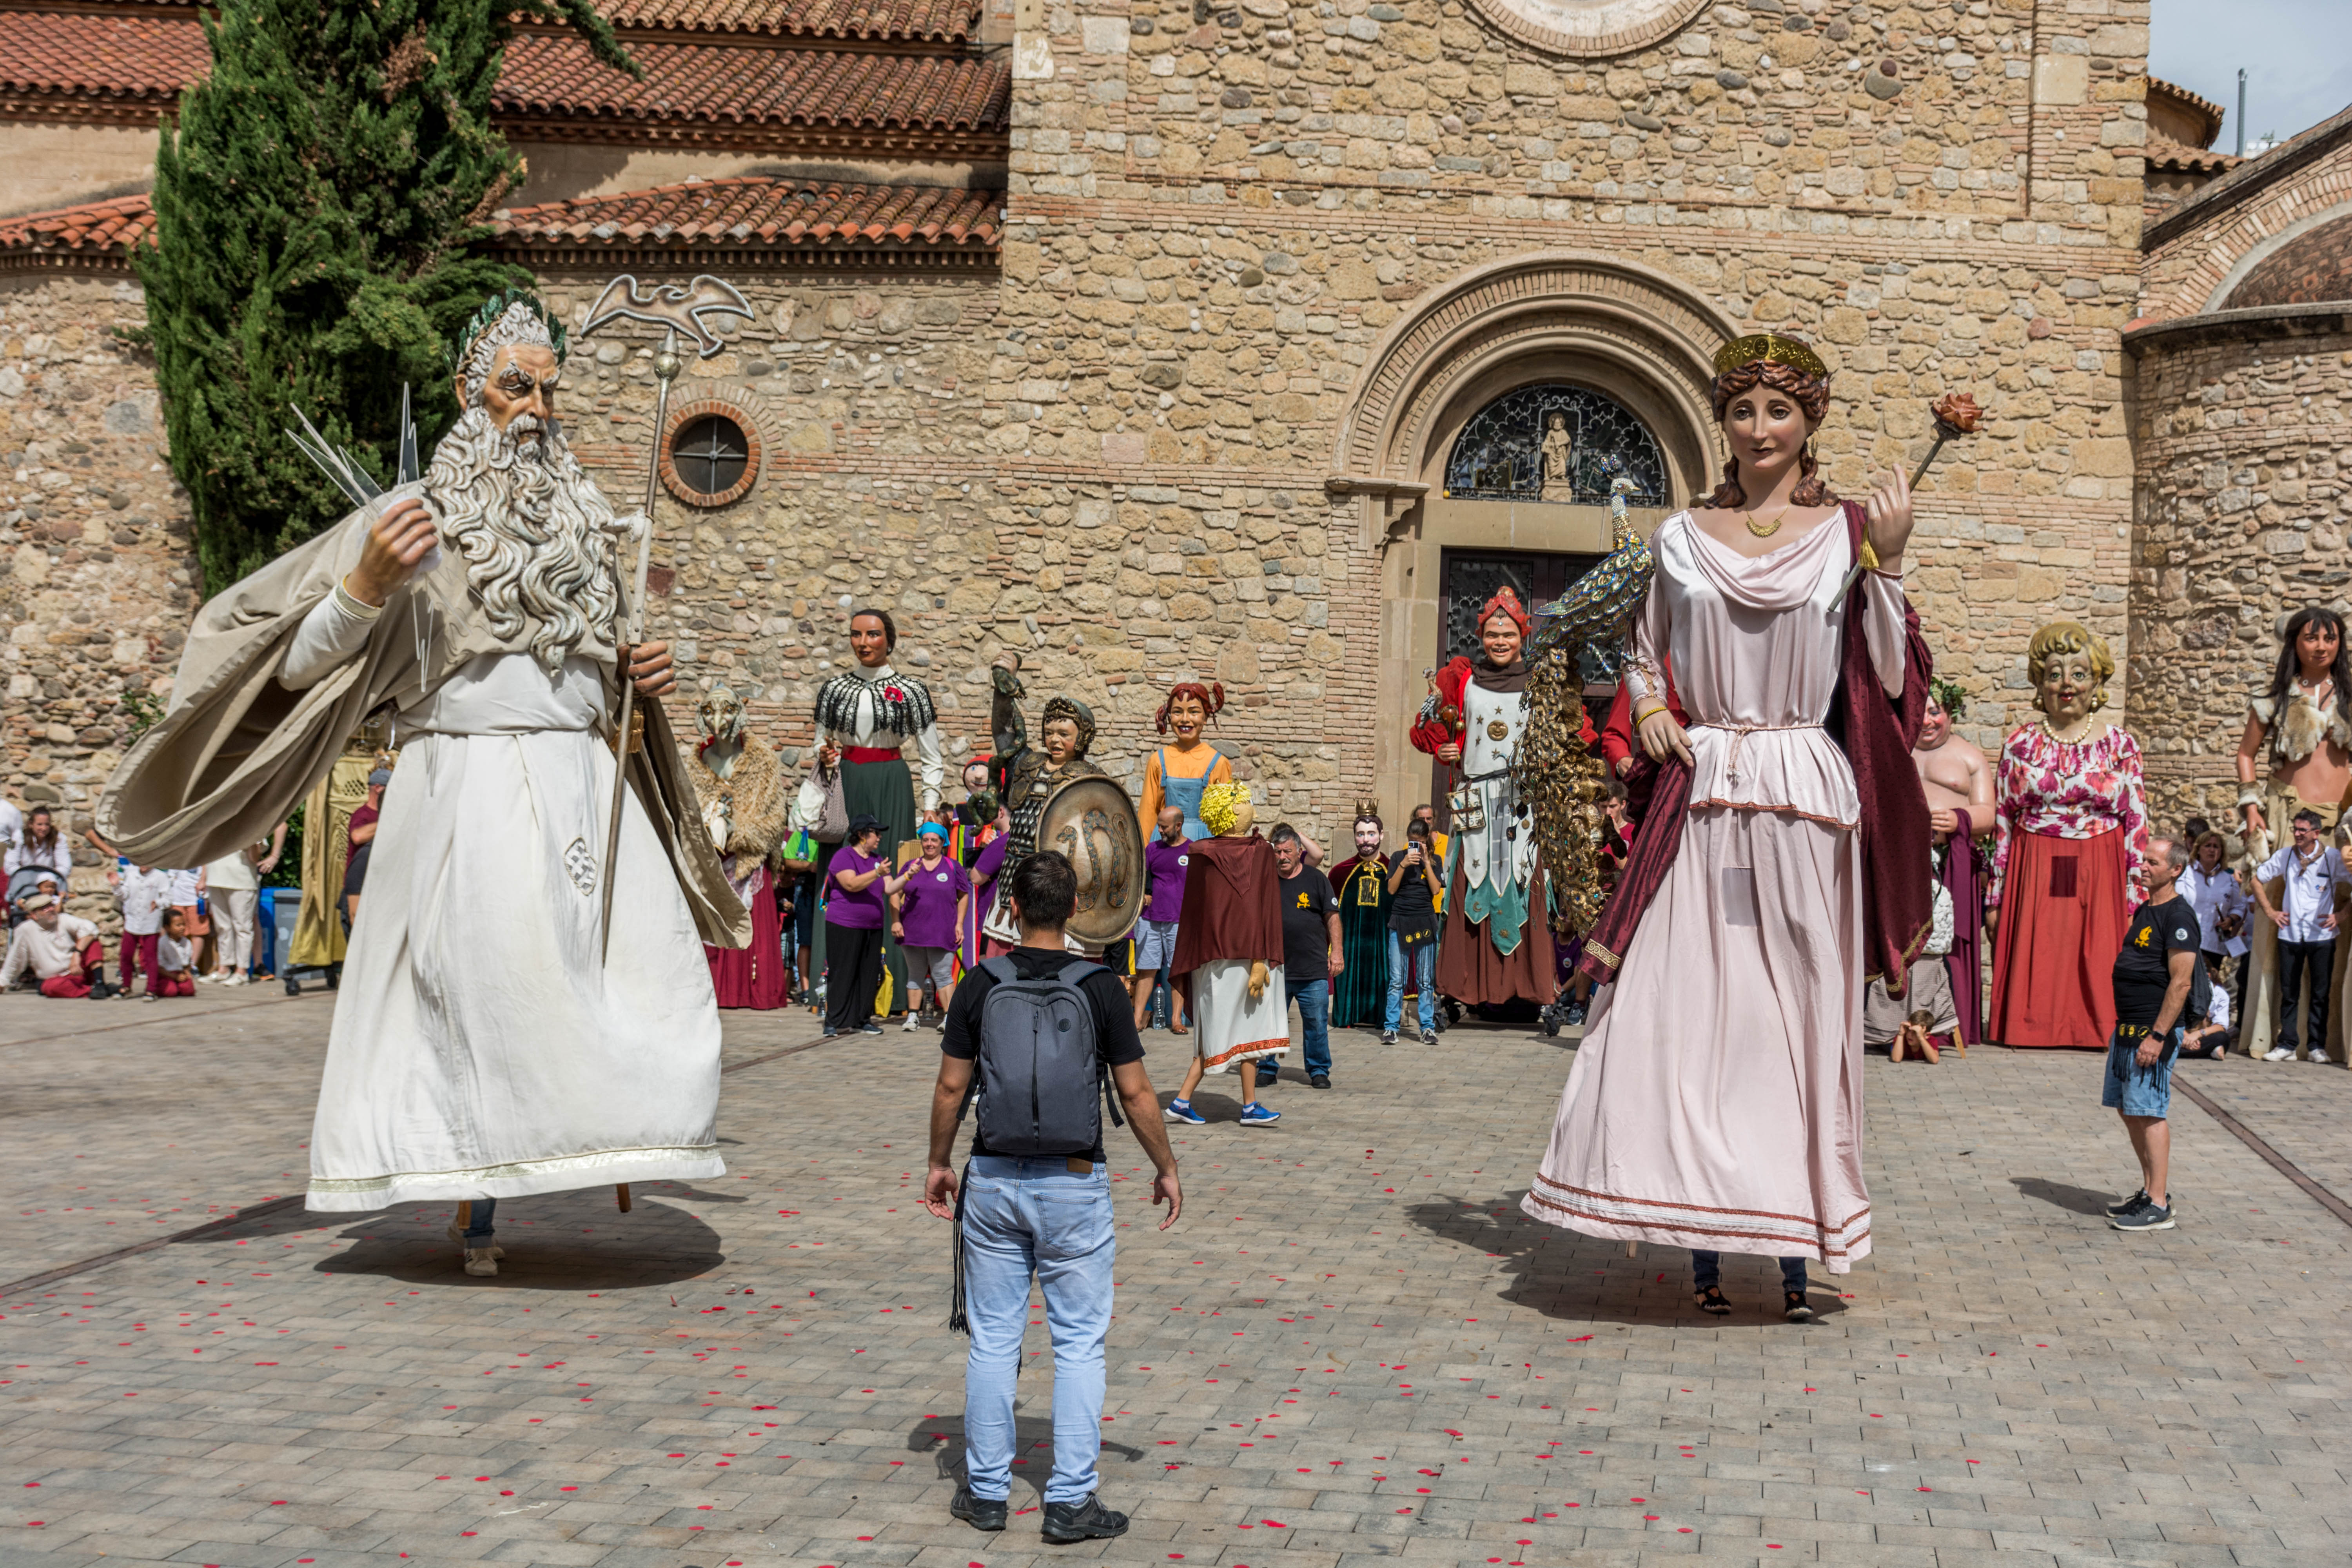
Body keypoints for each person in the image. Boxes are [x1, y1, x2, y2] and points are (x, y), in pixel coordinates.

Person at [96, 285, 746, 1278]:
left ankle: (605, 1138)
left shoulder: (587, 525)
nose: (533, 406)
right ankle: (476, 1195)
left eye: (547, 390)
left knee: (622, 984)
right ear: (467, 390)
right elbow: (305, 661)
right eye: (513, 385)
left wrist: (635, 677)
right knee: (484, 989)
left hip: (579, 783)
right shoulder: (416, 521)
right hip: (469, 784)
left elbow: (599, 670)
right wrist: (363, 587)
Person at [1524, 330, 1932, 1315]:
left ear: (1810, 422)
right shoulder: (1676, 538)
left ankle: (1793, 1238)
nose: (1759, 429)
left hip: (1801, 790)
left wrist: (1891, 561)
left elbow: (1885, 678)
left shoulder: (1845, 532)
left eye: (1778, 411)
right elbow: (1637, 645)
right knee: (1682, 1010)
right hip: (1703, 788)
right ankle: (1697, 1228)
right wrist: (1652, 701)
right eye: (1742, 411)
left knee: (1790, 1022)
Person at [921, 849, 1181, 1545]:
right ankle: (1068, 1501)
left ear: (1012, 909)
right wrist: (1166, 1166)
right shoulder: (1100, 987)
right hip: (1074, 1180)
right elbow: (1135, 1091)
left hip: (996, 1177)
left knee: (995, 1340)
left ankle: (984, 1495)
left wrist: (939, 1162)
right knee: (1078, 1345)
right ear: (1073, 910)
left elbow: (952, 1087)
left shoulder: (979, 984)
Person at [1986, 621, 2149, 1048]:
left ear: (2097, 681)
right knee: (2043, 947)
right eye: (2054, 673)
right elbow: (2003, 820)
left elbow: (2137, 820)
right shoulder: (2020, 744)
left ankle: (2093, 1028)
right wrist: (1995, 895)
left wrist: (2136, 895)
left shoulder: (2120, 745)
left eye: (2079, 673)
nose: (2066, 685)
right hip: (2034, 859)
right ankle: (2032, 1026)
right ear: (2040, 682)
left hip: (2102, 861)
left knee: (2095, 950)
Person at [1409, 586, 1555, 1009]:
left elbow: (1571, 733)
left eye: (1508, 633)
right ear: (1482, 636)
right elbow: (1424, 727)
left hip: (1521, 802)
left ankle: (1530, 991)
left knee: (1522, 880)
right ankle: (1462, 988)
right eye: (1493, 634)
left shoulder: (1539, 680)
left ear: (1522, 635)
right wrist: (1442, 748)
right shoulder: (1462, 679)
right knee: (1470, 878)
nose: (1500, 641)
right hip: (1475, 798)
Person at [801, 607, 944, 1014]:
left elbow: (931, 756)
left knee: (893, 873)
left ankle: (896, 991)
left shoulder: (912, 690)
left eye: (873, 634)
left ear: (889, 639)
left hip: (891, 781)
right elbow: (819, 743)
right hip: (846, 782)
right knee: (840, 874)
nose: (864, 642)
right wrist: (826, 755)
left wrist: (930, 809)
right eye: (857, 635)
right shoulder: (833, 689)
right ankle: (833, 988)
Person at [2235, 608, 2352, 1062]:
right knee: (2278, 926)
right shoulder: (2275, 700)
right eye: (2311, 638)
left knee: (2339, 922)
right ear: (2295, 643)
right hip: (2286, 817)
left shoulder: (2350, 696)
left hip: (2342, 821)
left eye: (2330, 638)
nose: (2321, 646)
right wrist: (2251, 809)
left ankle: (2333, 1039)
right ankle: (2276, 1035)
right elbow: (2247, 755)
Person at [1163, 781, 1286, 1126]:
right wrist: (1261, 958)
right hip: (1242, 959)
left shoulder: (1202, 851)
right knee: (1233, 1031)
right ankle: (1190, 1102)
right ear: (1231, 811)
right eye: (1247, 803)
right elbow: (1262, 907)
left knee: (1238, 1031)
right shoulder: (1257, 851)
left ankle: (1240, 1105)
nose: (1253, 810)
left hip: (1213, 958)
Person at [2104, 838, 2199, 1233]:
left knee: (2149, 1111)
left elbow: (2180, 983)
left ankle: (2159, 1204)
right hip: (2128, 1028)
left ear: (2175, 869)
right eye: (2143, 859)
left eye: (2152, 862)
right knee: (2130, 1108)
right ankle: (2148, 1191)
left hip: (2151, 1031)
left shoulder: (2178, 915)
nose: (2142, 866)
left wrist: (2158, 1036)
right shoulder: (2147, 908)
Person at [980, 681, 1110, 949]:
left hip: (1058, 880)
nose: (1054, 740)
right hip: (1014, 875)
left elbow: (1100, 842)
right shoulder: (1027, 764)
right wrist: (1002, 687)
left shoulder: (1091, 779)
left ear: (1082, 737)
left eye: (1064, 734)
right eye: (1049, 732)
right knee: (1006, 959)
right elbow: (1004, 731)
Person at [688, 682, 793, 1010]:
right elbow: (685, 812)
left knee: (752, 930)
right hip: (711, 863)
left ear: (739, 713)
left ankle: (753, 991)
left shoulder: (763, 763)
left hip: (749, 860)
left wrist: (739, 831)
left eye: (728, 709)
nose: (719, 719)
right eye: (710, 710)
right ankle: (715, 990)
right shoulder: (695, 764)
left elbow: (775, 819)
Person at [1913, 675, 1995, 1047]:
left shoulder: (1969, 756)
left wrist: (1959, 820)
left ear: (1951, 713)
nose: (1928, 720)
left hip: (1953, 862)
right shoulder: (1898, 750)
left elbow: (1989, 814)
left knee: (1952, 945)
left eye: (1936, 711)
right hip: (1907, 861)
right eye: (1920, 711)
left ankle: (1951, 1021)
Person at [2250, 808, 2346, 1063]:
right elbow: (2256, 880)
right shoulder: (2285, 856)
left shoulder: (2333, 858)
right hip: (2291, 934)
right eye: (2296, 829)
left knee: (2320, 992)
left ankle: (2317, 1046)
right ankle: (2287, 1044)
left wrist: (2343, 915)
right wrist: (2271, 912)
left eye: (2303, 830)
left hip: (2321, 935)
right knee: (2289, 990)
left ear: (2316, 833)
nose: (2298, 834)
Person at [1265, 822, 1341, 1091]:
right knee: (1270, 1022)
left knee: (1317, 1024)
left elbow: (1332, 918)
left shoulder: (1316, 879)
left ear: (1299, 852)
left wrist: (1337, 954)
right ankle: (1266, 1067)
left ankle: (1319, 1069)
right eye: (1277, 852)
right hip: (1275, 967)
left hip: (1312, 969)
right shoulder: (1266, 881)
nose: (1282, 857)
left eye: (1287, 851)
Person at [826, 814, 915, 1038]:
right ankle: (833, 1021)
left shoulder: (877, 859)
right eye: (875, 833)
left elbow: (890, 888)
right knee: (843, 972)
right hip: (844, 925)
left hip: (873, 926)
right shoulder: (843, 857)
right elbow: (850, 884)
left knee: (868, 974)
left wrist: (907, 876)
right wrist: (876, 873)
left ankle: (862, 1020)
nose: (879, 837)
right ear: (861, 835)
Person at [896, 821, 973, 1029]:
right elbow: (895, 893)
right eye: (926, 840)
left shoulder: (952, 867)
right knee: (915, 974)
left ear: (943, 843)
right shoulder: (911, 866)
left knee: (943, 975)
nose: (929, 844)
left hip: (942, 931)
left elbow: (963, 896)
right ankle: (913, 1017)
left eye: (934, 840)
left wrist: (959, 923)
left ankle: (949, 1018)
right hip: (912, 931)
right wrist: (896, 920)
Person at [1324, 809, 1393, 1031]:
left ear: (1381, 835)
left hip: (1382, 945)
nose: (1366, 840)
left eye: (1371, 834)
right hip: (1351, 945)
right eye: (1361, 834)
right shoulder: (1339, 873)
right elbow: (1329, 915)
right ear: (1354, 836)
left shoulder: (1394, 871)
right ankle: (1347, 1015)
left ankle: (1384, 1017)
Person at [1138, 681, 1233, 840]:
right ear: (1169, 717)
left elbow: (1226, 821)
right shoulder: (1157, 761)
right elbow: (1147, 815)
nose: (1185, 719)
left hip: (1203, 849)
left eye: (1194, 712)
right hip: (1162, 848)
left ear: (1206, 717)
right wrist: (1142, 856)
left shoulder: (1219, 763)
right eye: (1177, 712)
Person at [2180, 829, 2248, 1045]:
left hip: (2213, 943)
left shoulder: (2228, 879)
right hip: (2186, 939)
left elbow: (2240, 905)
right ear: (2198, 849)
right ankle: (2181, 1028)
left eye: (2216, 847)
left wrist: (2231, 919)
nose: (2212, 850)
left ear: (2222, 852)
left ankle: (2202, 1032)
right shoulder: (2185, 873)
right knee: (2184, 984)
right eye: (2207, 846)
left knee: (2207, 987)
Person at [1130, 805, 1192, 1032]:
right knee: (1146, 969)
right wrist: (1145, 894)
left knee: (1177, 970)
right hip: (1150, 919)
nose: (1160, 830)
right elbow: (1142, 876)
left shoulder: (1192, 850)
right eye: (1158, 825)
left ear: (1178, 826)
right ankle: (1136, 1020)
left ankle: (1176, 1020)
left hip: (1179, 921)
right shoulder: (1152, 849)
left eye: (1164, 826)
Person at [1384, 817, 1443, 1044]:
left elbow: (1436, 890)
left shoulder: (1435, 860)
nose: (1415, 847)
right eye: (1412, 842)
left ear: (1426, 841)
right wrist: (1404, 865)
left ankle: (1427, 1028)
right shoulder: (1398, 858)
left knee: (1426, 981)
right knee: (1397, 980)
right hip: (1400, 921)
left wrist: (1427, 862)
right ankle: (1391, 1027)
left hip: (1425, 922)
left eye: (1419, 843)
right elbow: (1391, 889)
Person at [2, 891, 114, 998]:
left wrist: (77, 954)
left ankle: (100, 983)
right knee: (52, 988)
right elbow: (16, 958)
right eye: (44, 908)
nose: (51, 910)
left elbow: (90, 928)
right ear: (34, 915)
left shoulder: (63, 919)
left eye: (51, 906)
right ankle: (98, 990)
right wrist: (2, 982)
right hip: (57, 979)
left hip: (79, 970)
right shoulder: (25, 930)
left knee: (92, 943)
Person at [202, 835, 266, 984]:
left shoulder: (254, 824)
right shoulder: (217, 823)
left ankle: (242, 971)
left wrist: (252, 840)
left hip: (241, 882)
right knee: (222, 927)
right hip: (215, 880)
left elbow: (255, 858)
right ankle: (224, 969)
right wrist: (203, 879)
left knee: (242, 927)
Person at [343, 769, 388, 929]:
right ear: (377, 788)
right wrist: (388, 821)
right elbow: (358, 837)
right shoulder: (362, 814)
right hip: (358, 887)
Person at [116, 862, 169, 998]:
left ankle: (151, 989)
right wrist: (116, 885)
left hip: (150, 922)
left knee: (150, 957)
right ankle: (126, 985)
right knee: (126, 955)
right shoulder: (131, 874)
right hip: (132, 920)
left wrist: (158, 903)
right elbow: (124, 895)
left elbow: (168, 899)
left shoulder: (161, 876)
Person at [152, 906, 198, 998]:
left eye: (183, 925)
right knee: (170, 992)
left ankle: (178, 986)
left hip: (181, 973)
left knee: (189, 991)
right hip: (166, 974)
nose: (182, 928)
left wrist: (187, 972)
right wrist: (174, 977)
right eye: (178, 925)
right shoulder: (162, 942)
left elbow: (188, 962)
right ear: (167, 928)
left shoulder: (187, 942)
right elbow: (159, 967)